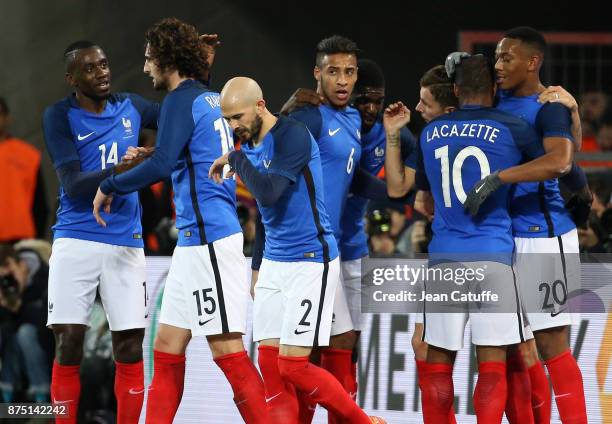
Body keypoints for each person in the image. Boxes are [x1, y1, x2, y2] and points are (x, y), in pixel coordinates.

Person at [92, 18, 266, 424]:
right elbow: (182, 154)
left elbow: (166, 163)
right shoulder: (206, 98)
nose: (147, 66)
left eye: (150, 58)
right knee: (167, 347)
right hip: (194, 244)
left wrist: (110, 184)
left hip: (210, 241)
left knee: (230, 355)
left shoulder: (180, 101)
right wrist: (150, 157)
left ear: (167, 59)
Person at [210, 76, 386, 424]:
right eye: (228, 120)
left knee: (293, 365)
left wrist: (235, 157)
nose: (233, 126)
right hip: (275, 263)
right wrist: (259, 264)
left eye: (238, 117)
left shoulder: (292, 136)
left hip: (310, 261)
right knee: (269, 365)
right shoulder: (248, 140)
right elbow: (266, 211)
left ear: (260, 106)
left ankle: (364, 422)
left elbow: (270, 192)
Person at [412, 53, 577, 423]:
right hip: (494, 259)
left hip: (443, 259)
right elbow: (555, 165)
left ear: (455, 90)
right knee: (492, 364)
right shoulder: (512, 128)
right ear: (492, 88)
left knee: (437, 364)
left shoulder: (429, 133)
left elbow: (423, 200)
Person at [42, 39, 163, 424]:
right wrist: (124, 171)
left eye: (105, 64)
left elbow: (180, 114)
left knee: (129, 345)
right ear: (72, 78)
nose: (103, 72)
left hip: (125, 242)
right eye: (91, 68)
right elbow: (75, 185)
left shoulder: (132, 106)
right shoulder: (58, 116)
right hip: (75, 236)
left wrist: (200, 73)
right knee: (69, 342)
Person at [477, 26, 588, 424]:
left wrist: (499, 178)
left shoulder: (550, 106)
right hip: (500, 240)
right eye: (496, 58)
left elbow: (561, 161)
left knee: (551, 345)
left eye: (507, 58)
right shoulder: (493, 100)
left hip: (544, 237)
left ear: (532, 61)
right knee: (513, 349)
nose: (499, 65)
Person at [285, 37, 391, 423]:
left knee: (342, 342)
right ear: (318, 74)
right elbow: (272, 170)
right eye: (333, 72)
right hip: (302, 252)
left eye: (349, 72)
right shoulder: (310, 116)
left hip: (329, 252)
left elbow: (352, 178)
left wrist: (402, 193)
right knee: (301, 357)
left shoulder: (351, 121)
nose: (343, 81)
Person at [384, 64, 458, 424]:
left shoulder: (433, 138)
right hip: (501, 250)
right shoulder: (500, 129)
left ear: (449, 110)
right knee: (504, 355)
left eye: (424, 101)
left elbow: (410, 196)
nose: (416, 107)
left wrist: (393, 136)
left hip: (449, 252)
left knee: (428, 349)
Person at [0, 242, 51, 404]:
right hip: (16, 364)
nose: (9, 283)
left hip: (48, 351)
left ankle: (42, 397)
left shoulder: (46, 278)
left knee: (25, 332)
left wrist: (19, 306)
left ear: (21, 265)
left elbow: (48, 323)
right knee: (6, 329)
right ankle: (6, 395)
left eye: (10, 276)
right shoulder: (5, 291)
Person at [0, 97, 48, 243]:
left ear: (7, 117)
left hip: (24, 242)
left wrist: (35, 241)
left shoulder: (28, 155)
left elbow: (40, 205)